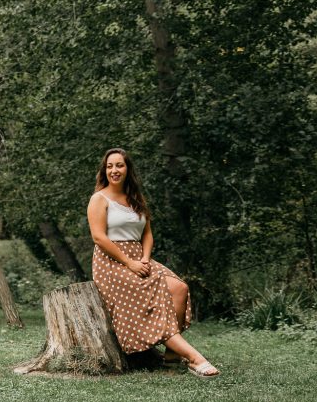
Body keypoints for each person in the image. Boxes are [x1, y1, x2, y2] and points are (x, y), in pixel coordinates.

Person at [86, 148, 220, 378]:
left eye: (119, 165)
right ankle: (195, 358)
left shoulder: (136, 198)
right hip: (111, 261)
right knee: (145, 294)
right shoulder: (99, 199)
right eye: (110, 166)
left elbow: (147, 234)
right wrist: (129, 263)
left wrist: (145, 258)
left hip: (139, 256)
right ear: (104, 170)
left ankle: (171, 355)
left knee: (179, 288)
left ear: (128, 169)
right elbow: (99, 237)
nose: (114, 170)